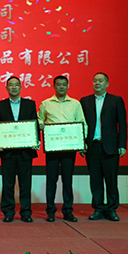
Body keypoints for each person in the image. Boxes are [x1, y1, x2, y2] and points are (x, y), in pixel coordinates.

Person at [37, 75, 86, 223]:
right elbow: (39, 119)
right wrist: (42, 125)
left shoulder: (75, 104)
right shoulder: (46, 103)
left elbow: (82, 123)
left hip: (69, 148)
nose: (61, 87)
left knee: (67, 180)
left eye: (64, 84)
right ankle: (50, 211)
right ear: (54, 86)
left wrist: (81, 142)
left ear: (68, 86)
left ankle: (68, 211)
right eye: (58, 84)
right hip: (52, 147)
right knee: (51, 180)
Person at [81, 72, 127, 221]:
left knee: (111, 180)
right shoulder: (85, 101)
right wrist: (81, 144)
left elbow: (122, 124)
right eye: (95, 80)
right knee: (95, 180)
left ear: (107, 83)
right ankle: (98, 209)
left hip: (111, 147)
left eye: (100, 81)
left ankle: (112, 209)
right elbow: (81, 124)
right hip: (92, 146)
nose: (97, 83)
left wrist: (122, 144)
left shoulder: (116, 100)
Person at [0, 76, 39, 223]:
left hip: (26, 151)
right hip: (7, 152)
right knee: (8, 183)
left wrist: (35, 140)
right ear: (6, 88)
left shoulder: (30, 104)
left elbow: (34, 124)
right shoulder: (0, 105)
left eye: (16, 85)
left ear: (20, 87)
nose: (14, 87)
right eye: (11, 85)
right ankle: (8, 212)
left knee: (26, 183)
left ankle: (26, 212)